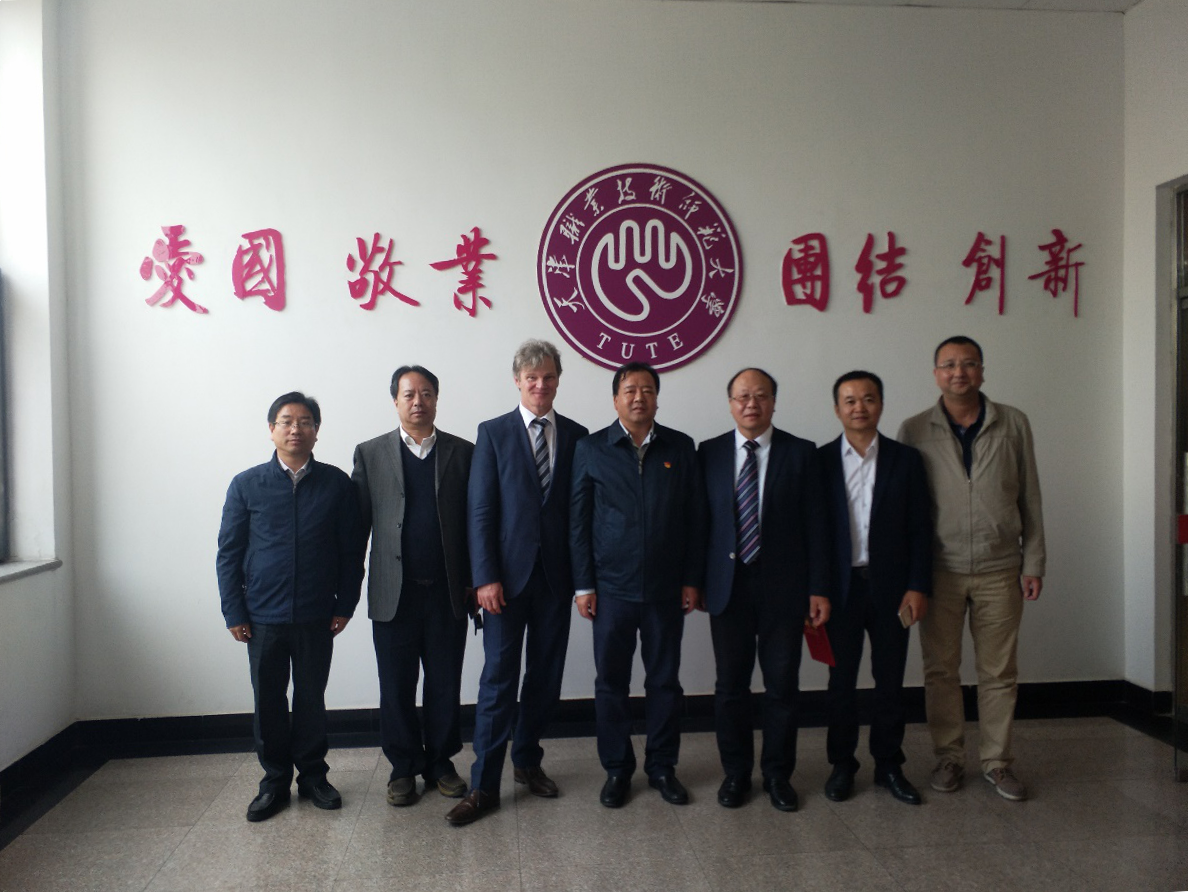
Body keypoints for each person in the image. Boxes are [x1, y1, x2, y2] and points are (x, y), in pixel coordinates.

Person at [445, 340, 589, 826]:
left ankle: (527, 761)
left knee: (545, 678)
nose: (540, 385)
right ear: (517, 381)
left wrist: (582, 581)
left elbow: (578, 515)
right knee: (498, 681)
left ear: (557, 380)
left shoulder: (577, 436)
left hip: (555, 581)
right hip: (503, 584)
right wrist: (484, 577)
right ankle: (484, 785)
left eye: (548, 377)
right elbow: (480, 510)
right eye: (532, 378)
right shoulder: (493, 433)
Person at [898, 336, 1045, 802]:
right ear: (935, 374)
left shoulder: (1013, 422)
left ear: (982, 371)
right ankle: (949, 757)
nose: (958, 372)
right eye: (948, 365)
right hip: (938, 570)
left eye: (968, 364)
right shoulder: (914, 429)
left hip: (1001, 567)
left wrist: (1034, 561)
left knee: (999, 672)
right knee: (940, 670)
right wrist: (909, 577)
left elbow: (1031, 496)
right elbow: (905, 509)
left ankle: (998, 762)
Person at [216, 392, 364, 822]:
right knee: (268, 702)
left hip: (318, 614)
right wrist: (234, 612)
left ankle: (314, 777)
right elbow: (229, 553)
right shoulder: (247, 484)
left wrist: (345, 604)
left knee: (311, 699)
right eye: (286, 421)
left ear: (317, 431)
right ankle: (275, 781)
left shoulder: (337, 484)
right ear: (271, 430)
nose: (296, 429)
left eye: (305, 422)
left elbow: (352, 552)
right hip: (262, 617)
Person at [570, 362, 703, 808]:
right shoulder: (591, 449)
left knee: (664, 682)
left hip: (666, 590)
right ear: (615, 399)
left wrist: (691, 579)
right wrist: (584, 585)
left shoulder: (680, 447)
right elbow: (578, 523)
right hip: (611, 590)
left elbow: (695, 519)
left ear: (657, 398)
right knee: (611, 683)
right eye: (629, 390)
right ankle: (617, 769)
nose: (638, 397)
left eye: (647, 389)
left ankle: (662, 767)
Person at [697, 368, 828, 812]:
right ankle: (736, 774)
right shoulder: (710, 452)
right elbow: (700, 525)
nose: (751, 404)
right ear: (730, 404)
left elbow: (817, 526)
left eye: (760, 396)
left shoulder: (801, 452)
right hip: (727, 588)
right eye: (742, 397)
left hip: (784, 589)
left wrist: (818, 588)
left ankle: (777, 775)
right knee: (730, 687)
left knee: (782, 687)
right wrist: (695, 582)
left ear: (774, 401)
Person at [352, 366, 475, 808]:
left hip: (447, 593)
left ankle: (441, 762)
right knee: (396, 685)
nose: (418, 401)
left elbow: (476, 524)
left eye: (426, 393)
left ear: (436, 399)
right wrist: (347, 593)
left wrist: (476, 583)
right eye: (409, 394)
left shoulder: (464, 452)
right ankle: (402, 767)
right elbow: (357, 529)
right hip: (394, 595)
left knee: (444, 683)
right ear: (396, 401)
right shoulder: (370, 453)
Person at [818, 371, 931, 806]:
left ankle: (889, 765)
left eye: (868, 398)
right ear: (837, 409)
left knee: (890, 682)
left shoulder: (907, 460)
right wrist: (816, 589)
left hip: (892, 590)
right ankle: (842, 765)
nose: (859, 407)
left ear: (881, 404)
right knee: (840, 683)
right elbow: (813, 534)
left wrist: (917, 585)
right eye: (849, 400)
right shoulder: (820, 461)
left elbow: (921, 528)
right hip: (840, 591)